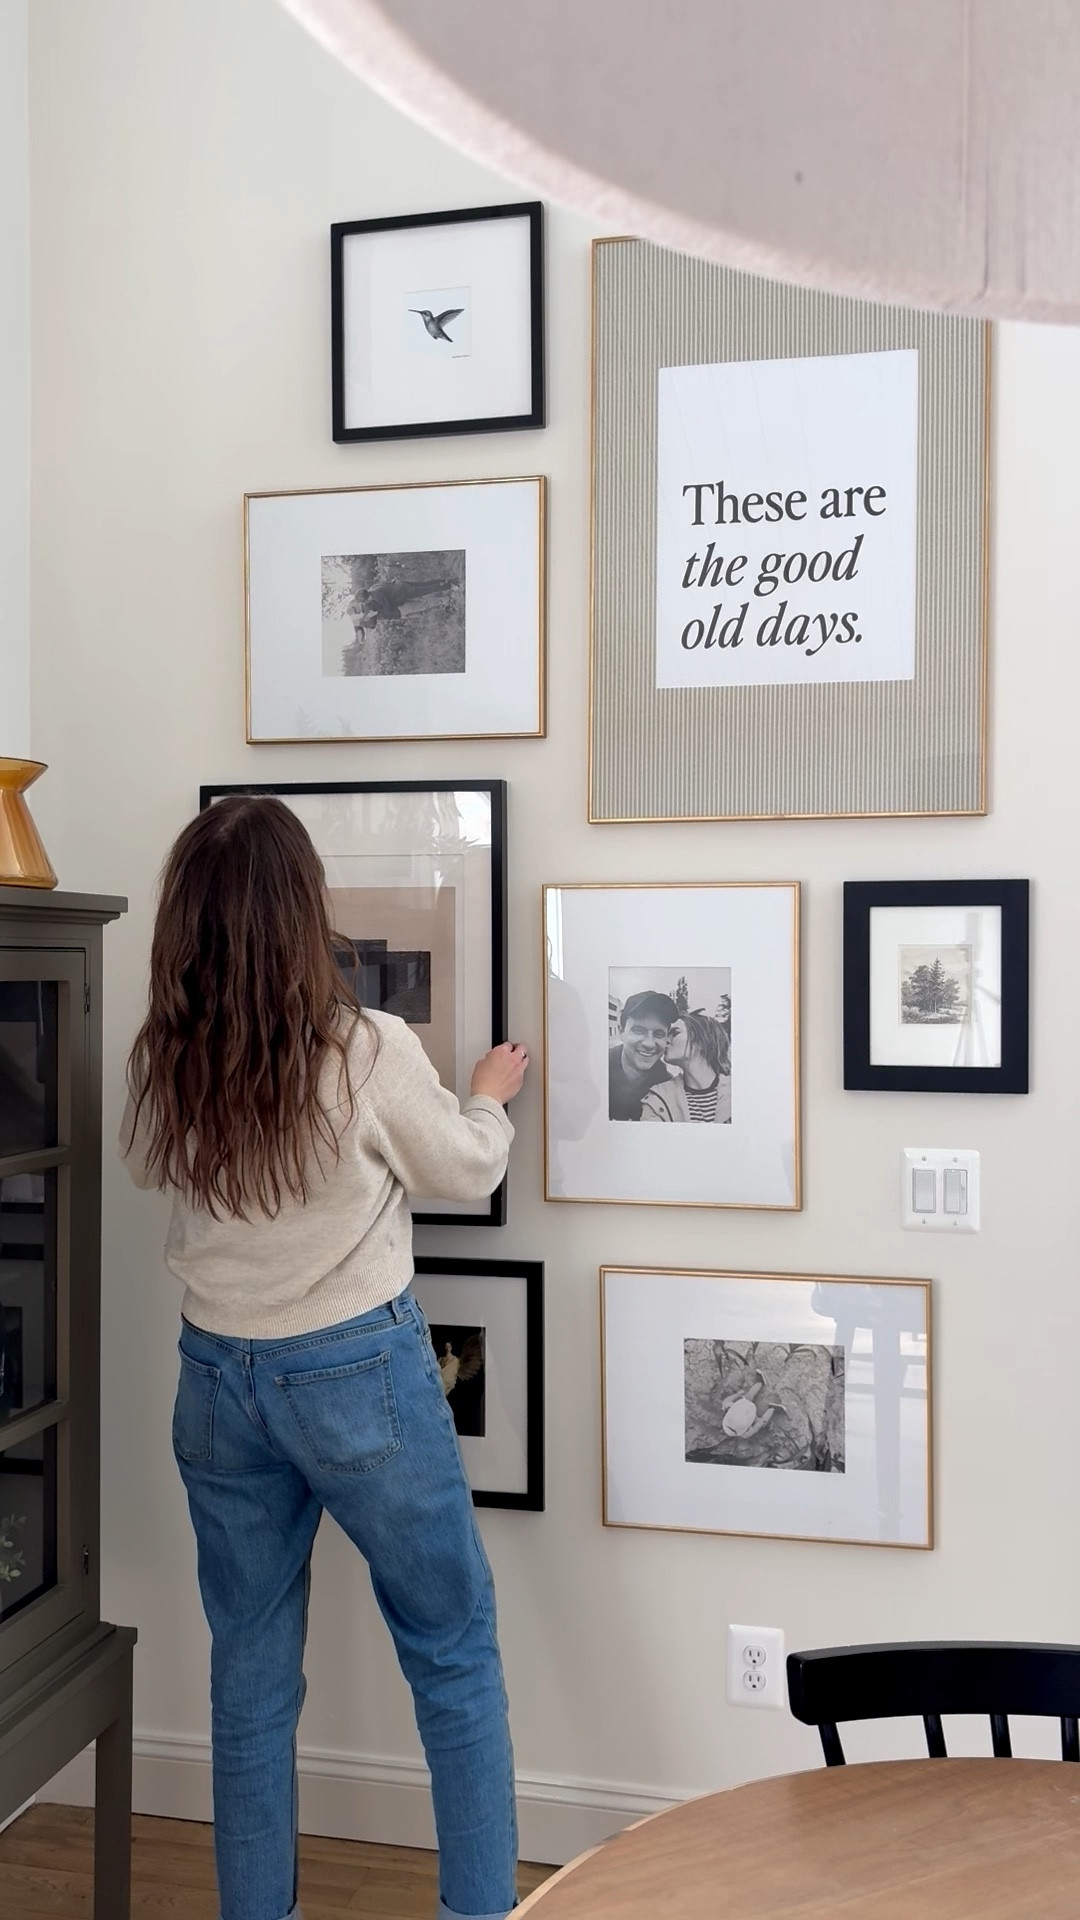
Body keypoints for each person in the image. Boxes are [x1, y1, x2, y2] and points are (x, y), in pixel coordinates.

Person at [120, 795, 528, 1920]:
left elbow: (166, 1180)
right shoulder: (367, 1047)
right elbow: (465, 1170)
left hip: (216, 1379)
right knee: (451, 1651)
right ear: (301, 913)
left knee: (249, 1676)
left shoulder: (170, 1056)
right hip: (353, 1375)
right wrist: (489, 1099)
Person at [641, 1010, 732, 1123]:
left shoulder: (738, 1091)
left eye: (675, 1033)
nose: (666, 1041)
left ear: (702, 1040)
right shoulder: (658, 1098)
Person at [608, 990, 677, 1120]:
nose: (649, 1044)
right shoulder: (598, 1072)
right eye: (639, 1030)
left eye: (658, 1034)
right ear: (621, 1032)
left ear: (667, 1038)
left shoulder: (668, 1089)